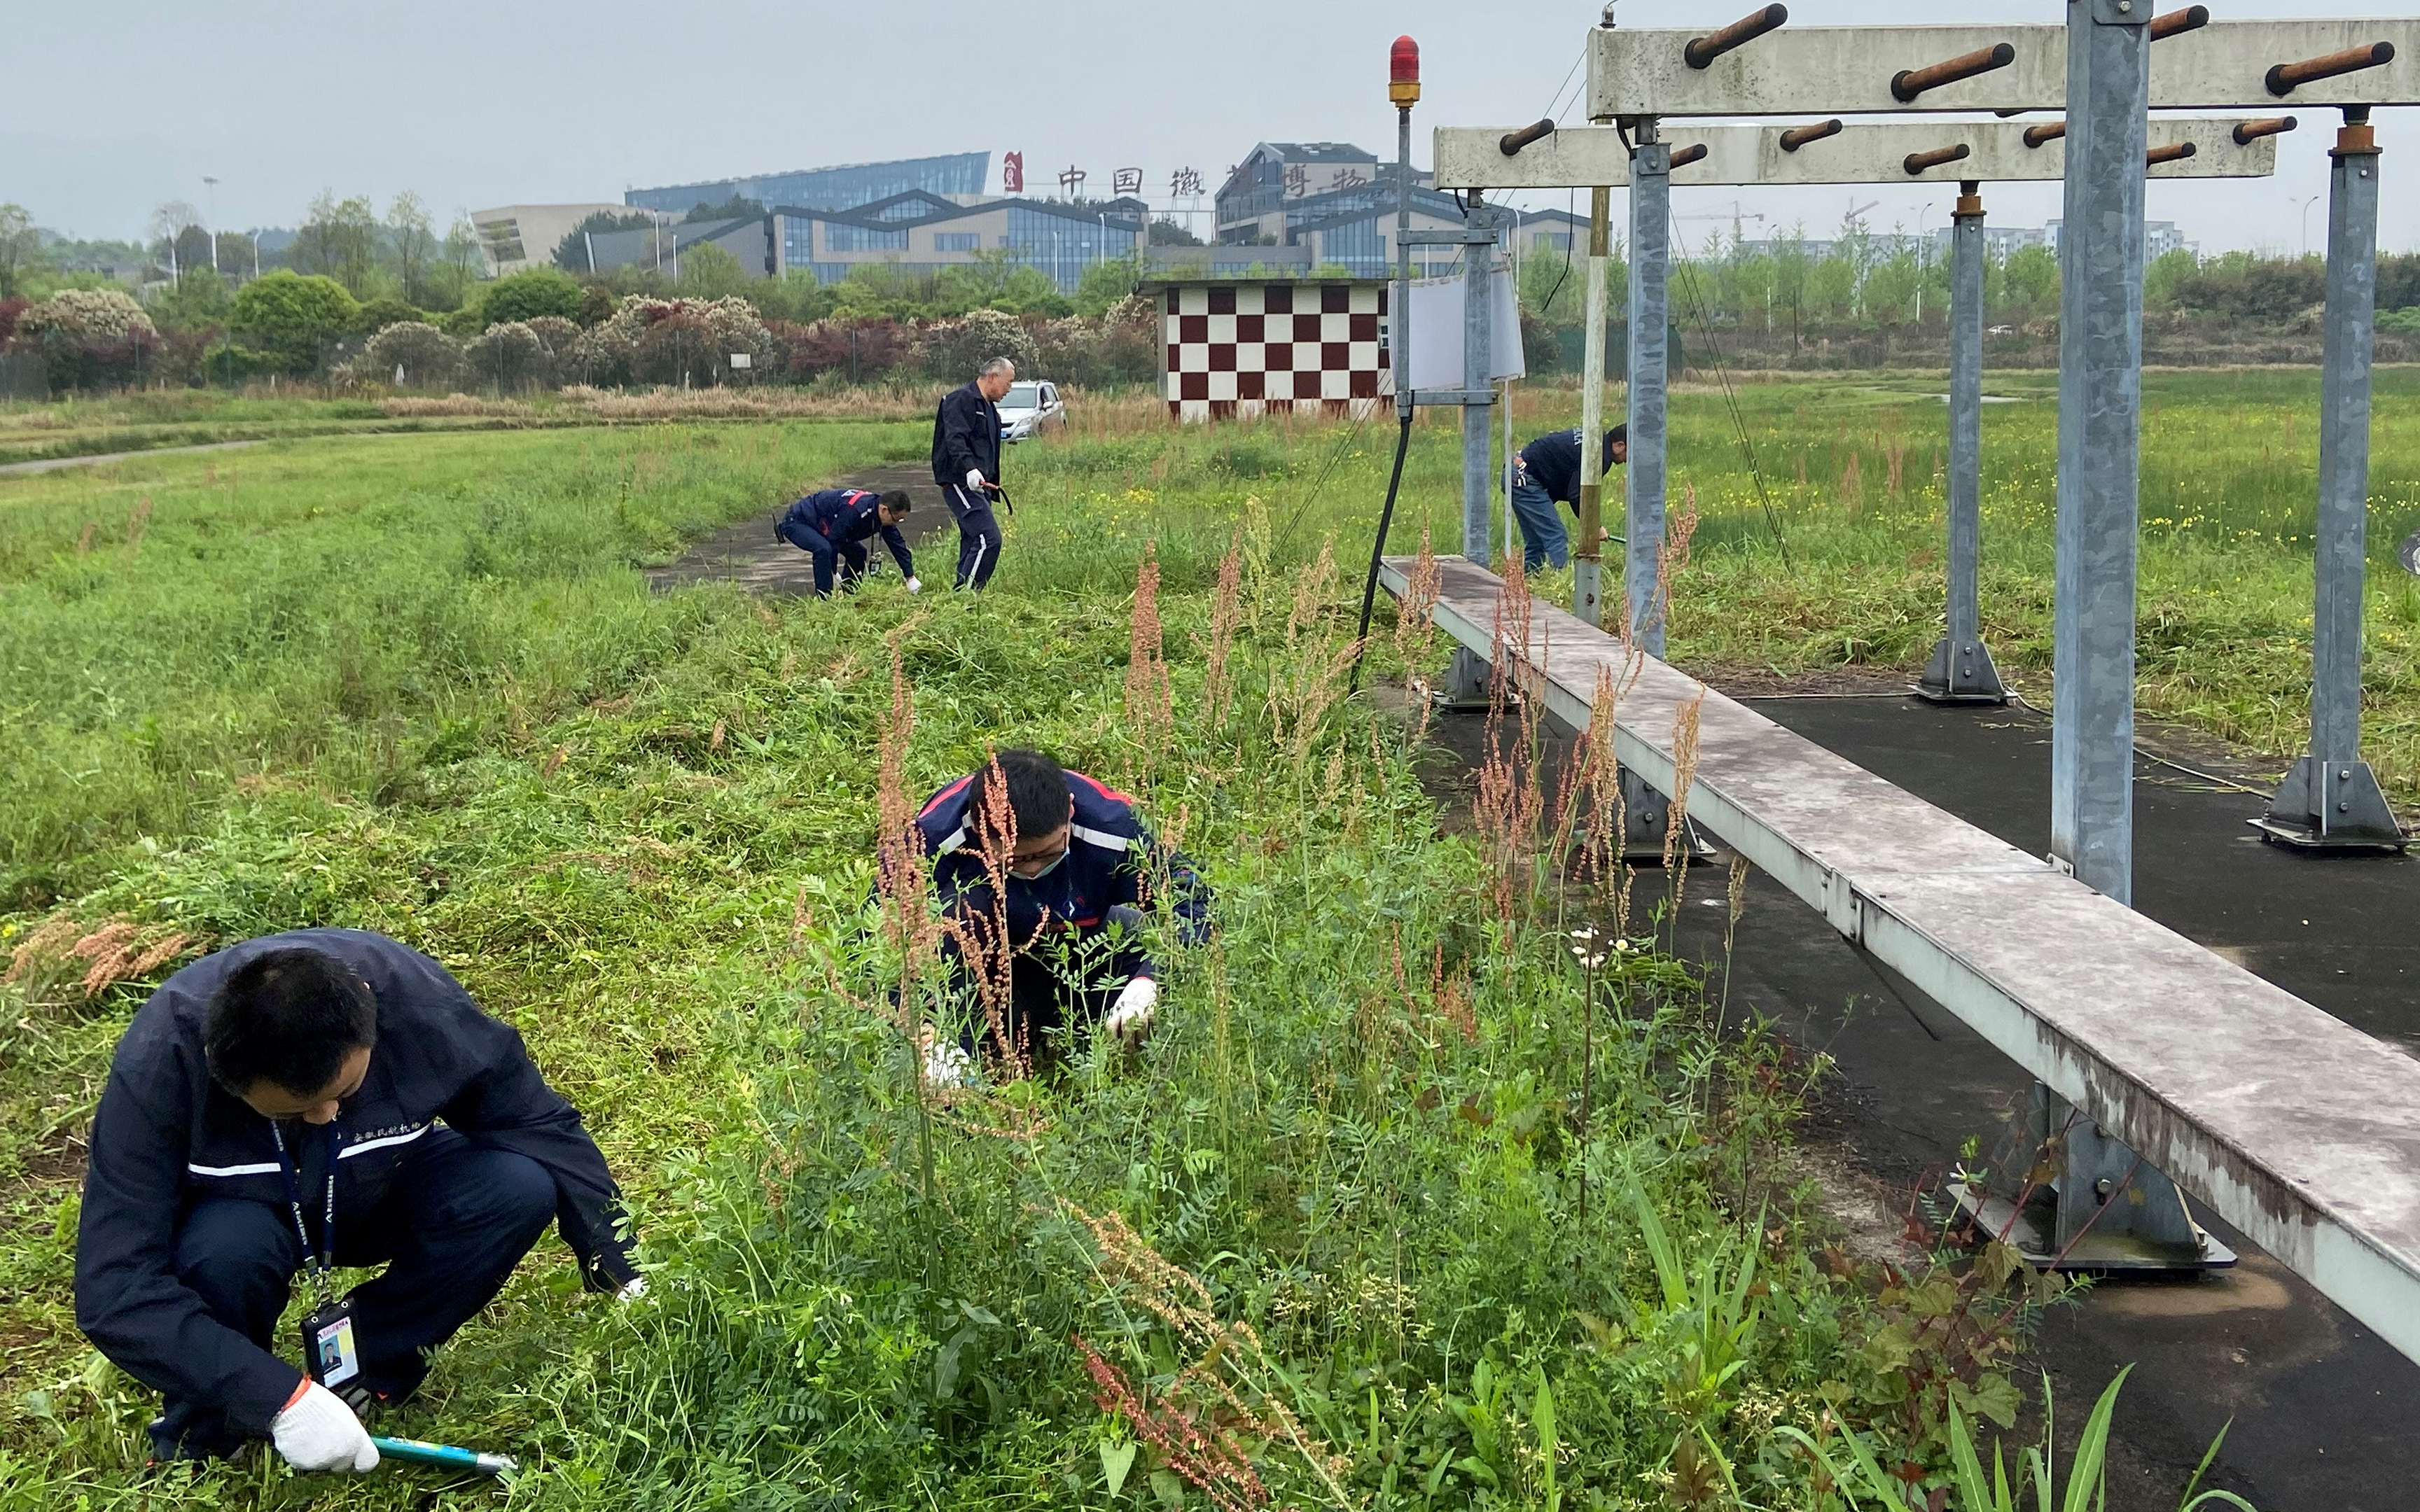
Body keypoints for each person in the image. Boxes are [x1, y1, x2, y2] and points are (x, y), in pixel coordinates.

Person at [74, 930, 640, 1471]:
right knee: (224, 1251)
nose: (323, 1118)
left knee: (515, 1187)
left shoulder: (418, 1005)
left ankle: (366, 1376)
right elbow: (115, 1289)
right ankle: (216, 1428)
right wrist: (277, 1398)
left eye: (344, 1093)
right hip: (246, 1216)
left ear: (370, 1023)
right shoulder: (161, 1061)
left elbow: (534, 1120)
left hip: (383, 1180)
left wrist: (625, 1265)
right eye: (288, 1113)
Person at [909, 748, 1210, 1078]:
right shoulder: (935, 834)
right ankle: (970, 1063)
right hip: (979, 969)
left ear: (1069, 810)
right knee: (956, 916)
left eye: (1048, 853)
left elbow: (1194, 900)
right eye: (1016, 861)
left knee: (1161, 957)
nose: (1035, 868)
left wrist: (1151, 979)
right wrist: (928, 1032)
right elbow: (882, 931)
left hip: (1078, 952)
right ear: (981, 831)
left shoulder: (1113, 824)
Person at [930, 356, 1014, 590]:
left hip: (981, 487)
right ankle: (968, 598)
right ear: (992, 377)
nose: (1010, 389)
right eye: (1008, 382)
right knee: (989, 539)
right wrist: (969, 469)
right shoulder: (961, 400)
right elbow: (955, 439)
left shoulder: (990, 410)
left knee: (972, 540)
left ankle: (959, 594)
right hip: (960, 482)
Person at [1508, 423, 1627, 574]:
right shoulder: (1599, 455)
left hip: (1516, 472)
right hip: (1524, 478)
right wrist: (1596, 527)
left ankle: (1530, 582)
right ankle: (1559, 582)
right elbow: (1576, 494)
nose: (1626, 461)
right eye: (1629, 454)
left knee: (1536, 540)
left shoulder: (1596, 440)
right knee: (1556, 535)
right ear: (1619, 446)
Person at [774, 486, 922, 597]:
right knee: (823, 549)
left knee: (858, 553)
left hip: (827, 525)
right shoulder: (855, 511)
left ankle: (849, 594)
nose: (896, 523)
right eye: (896, 519)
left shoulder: (881, 515)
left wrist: (910, 577)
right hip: (798, 521)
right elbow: (834, 540)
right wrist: (833, 573)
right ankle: (825, 601)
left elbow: (897, 544)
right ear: (884, 510)